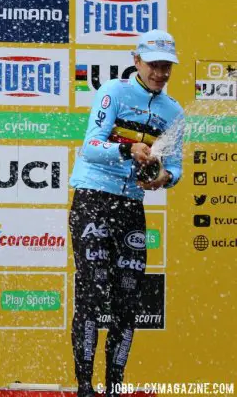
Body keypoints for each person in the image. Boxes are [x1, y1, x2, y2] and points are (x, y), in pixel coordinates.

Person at [69, 29, 184, 397]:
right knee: (90, 292)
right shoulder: (113, 93)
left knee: (128, 300)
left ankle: (115, 386)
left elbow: (175, 168)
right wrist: (127, 150)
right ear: (136, 61)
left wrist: (164, 178)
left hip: (131, 205)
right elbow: (90, 146)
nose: (160, 73)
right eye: (153, 65)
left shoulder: (175, 112)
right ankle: (86, 386)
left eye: (166, 67)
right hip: (94, 198)